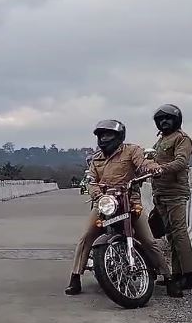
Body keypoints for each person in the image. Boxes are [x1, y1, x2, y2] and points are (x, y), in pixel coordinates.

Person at [65, 119, 175, 296]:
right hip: (105, 203)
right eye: (101, 135)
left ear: (118, 136)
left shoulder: (132, 150)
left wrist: (154, 168)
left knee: (149, 241)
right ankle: (75, 277)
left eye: (108, 134)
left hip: (129, 201)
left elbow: (143, 164)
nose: (104, 138)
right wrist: (98, 195)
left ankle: (168, 277)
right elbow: (91, 181)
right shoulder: (96, 158)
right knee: (86, 237)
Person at [151, 104, 192, 293]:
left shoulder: (181, 138)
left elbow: (181, 161)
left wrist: (161, 169)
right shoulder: (161, 140)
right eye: (161, 119)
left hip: (175, 192)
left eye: (168, 118)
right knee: (170, 235)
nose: (164, 122)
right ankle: (177, 274)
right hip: (160, 192)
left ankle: (188, 275)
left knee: (180, 233)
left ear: (176, 120)